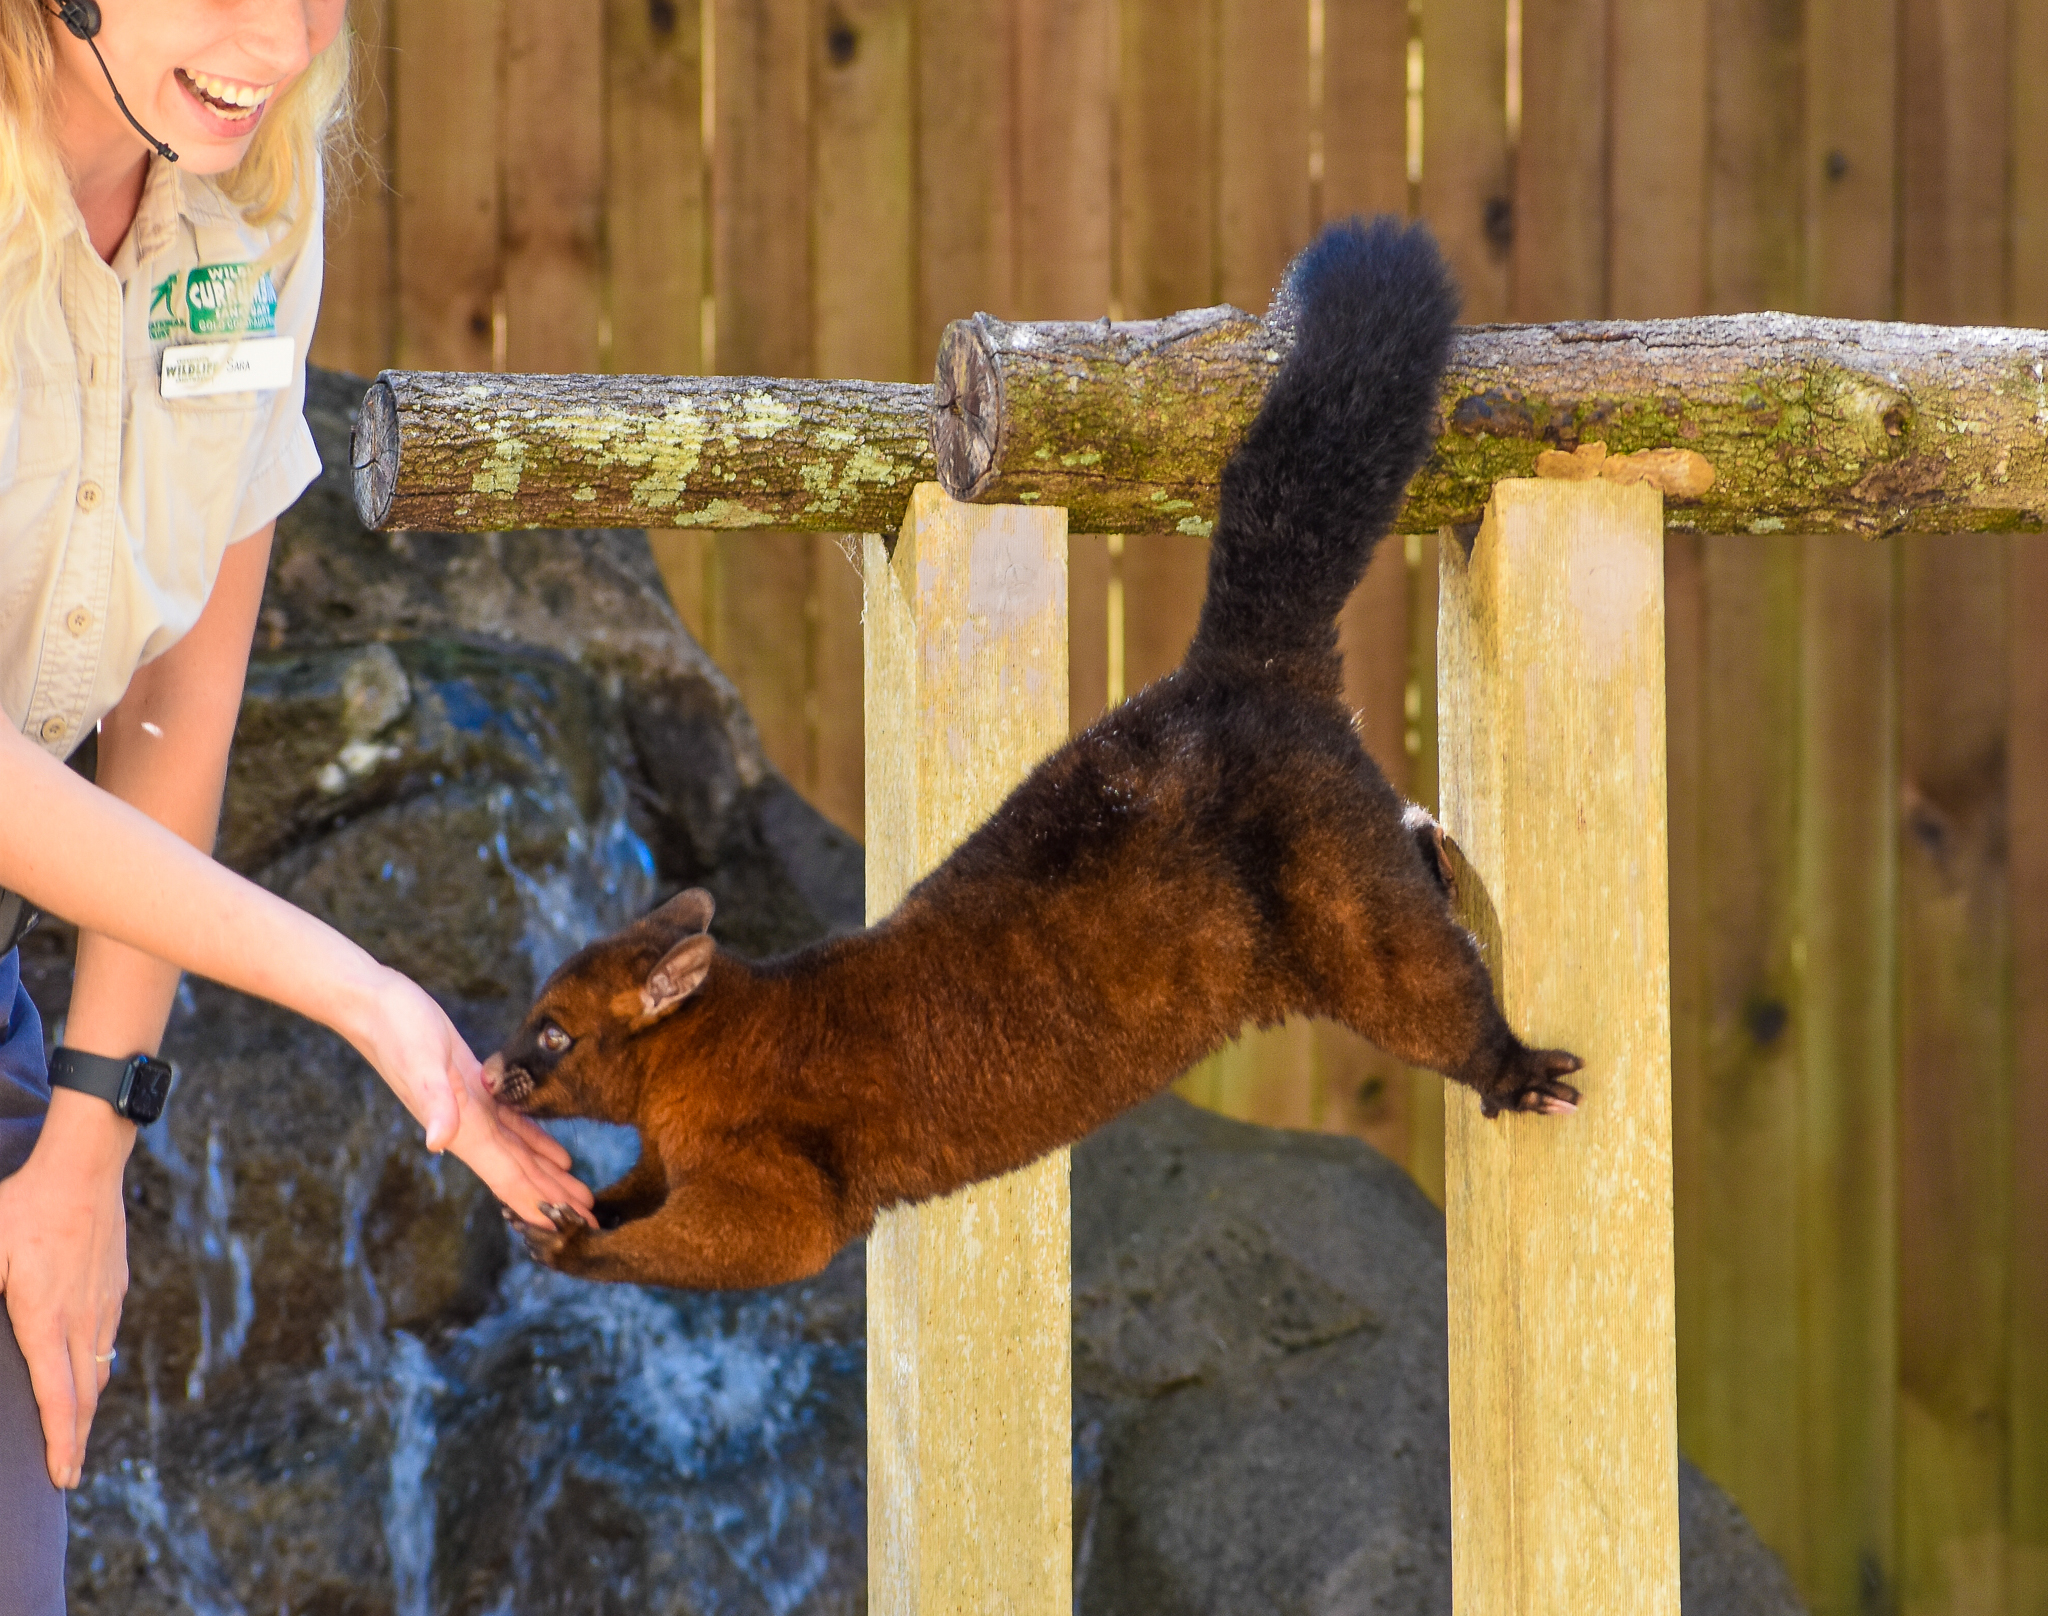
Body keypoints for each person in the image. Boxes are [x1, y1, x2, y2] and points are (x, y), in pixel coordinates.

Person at [0, 3, 594, 1607]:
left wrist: (81, 1141)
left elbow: (174, 704)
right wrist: (363, 992)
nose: (279, 39)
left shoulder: (251, 192)